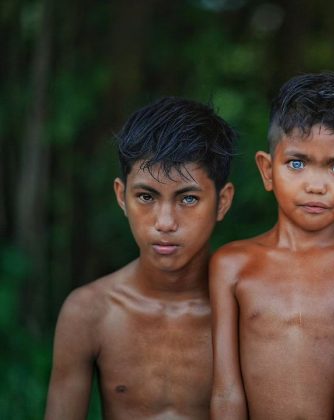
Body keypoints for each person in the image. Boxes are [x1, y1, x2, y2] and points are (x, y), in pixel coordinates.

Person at [210, 71, 334, 419]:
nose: (316, 185)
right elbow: (226, 391)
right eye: (297, 163)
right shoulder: (232, 264)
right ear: (267, 170)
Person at [45, 96, 236, 419]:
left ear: (222, 201)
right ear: (122, 196)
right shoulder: (89, 313)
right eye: (146, 196)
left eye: (188, 198)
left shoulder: (248, 312)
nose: (164, 222)